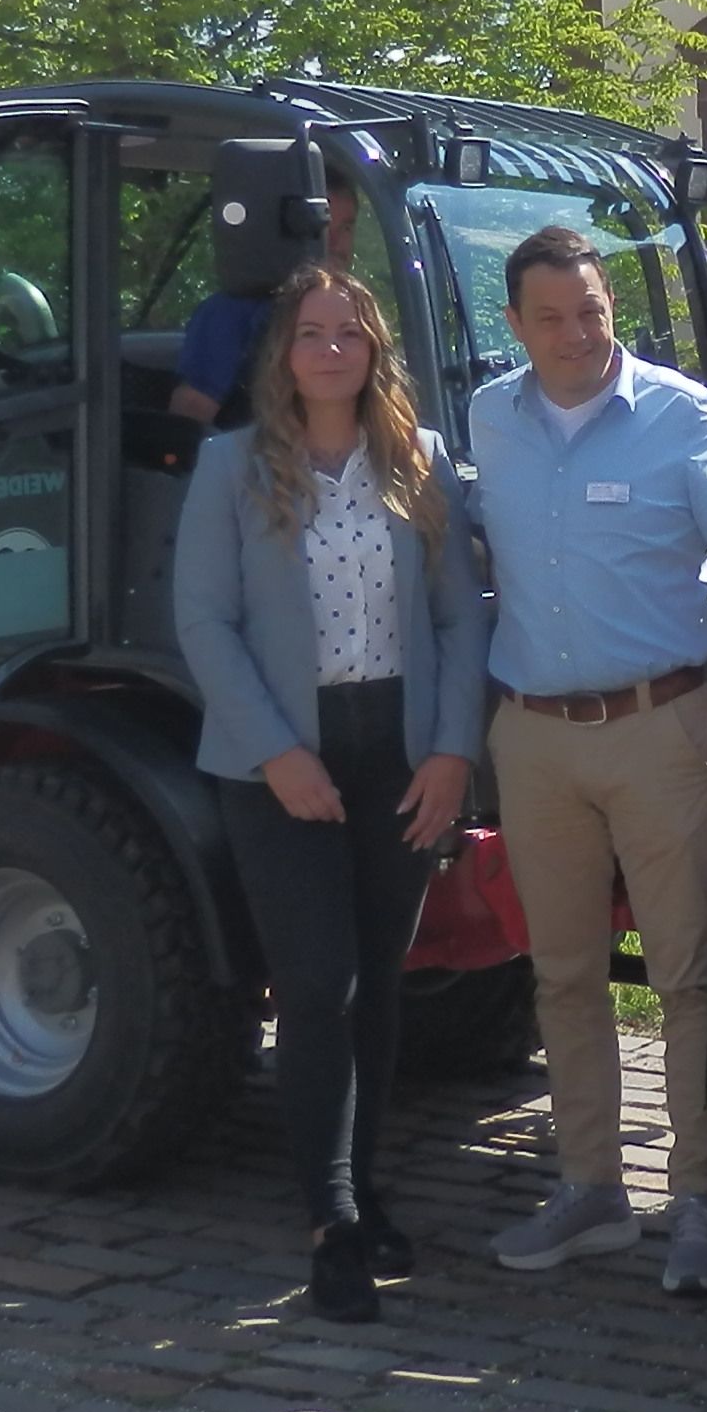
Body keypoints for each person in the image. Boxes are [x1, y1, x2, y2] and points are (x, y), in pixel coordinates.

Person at [463, 225, 707, 1298]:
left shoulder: (681, 412)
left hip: (658, 730)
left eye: (593, 313)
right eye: (553, 318)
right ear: (516, 324)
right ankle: (589, 1190)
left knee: (683, 977)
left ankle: (699, 1202)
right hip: (530, 735)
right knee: (564, 974)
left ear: (612, 306)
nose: (578, 335)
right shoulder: (488, 416)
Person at [172, 267, 492, 1322]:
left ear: (373, 352)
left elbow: (457, 620)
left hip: (396, 754)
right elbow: (205, 624)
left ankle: (369, 1185)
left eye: (347, 333)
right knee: (318, 987)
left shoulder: (420, 464)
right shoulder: (230, 468)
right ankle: (332, 1223)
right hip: (280, 765)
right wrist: (275, 753)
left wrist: (451, 753)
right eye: (308, 334)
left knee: (382, 987)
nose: (328, 351)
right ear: (283, 354)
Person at [173, 175, 362, 431]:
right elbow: (190, 419)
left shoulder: (361, 312)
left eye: (346, 228)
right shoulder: (233, 314)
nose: (335, 244)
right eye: (323, 228)